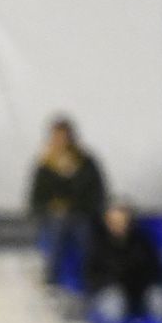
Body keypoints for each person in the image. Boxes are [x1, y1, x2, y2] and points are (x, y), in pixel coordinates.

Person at [29, 117, 107, 287]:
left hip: (82, 212)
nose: (61, 141)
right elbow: (37, 198)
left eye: (64, 136)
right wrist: (52, 206)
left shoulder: (86, 162)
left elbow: (96, 192)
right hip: (54, 215)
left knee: (85, 234)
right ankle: (52, 277)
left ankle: (90, 277)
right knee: (57, 226)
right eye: (57, 136)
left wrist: (72, 176)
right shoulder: (45, 165)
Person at [87, 201, 162, 323]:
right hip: (112, 290)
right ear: (107, 222)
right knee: (114, 302)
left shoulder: (142, 241)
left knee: (159, 297)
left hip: (139, 290)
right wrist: (112, 284)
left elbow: (154, 267)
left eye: (122, 220)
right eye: (113, 221)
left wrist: (145, 282)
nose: (118, 225)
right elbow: (91, 275)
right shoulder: (98, 244)